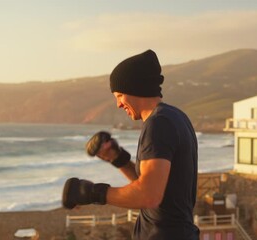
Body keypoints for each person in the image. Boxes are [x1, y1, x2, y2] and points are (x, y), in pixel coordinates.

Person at [62, 49, 199, 240]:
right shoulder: (175, 117)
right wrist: (118, 159)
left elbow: (149, 195)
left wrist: (92, 193)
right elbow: (154, 185)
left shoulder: (159, 123)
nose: (118, 104)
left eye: (119, 95)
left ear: (134, 88)